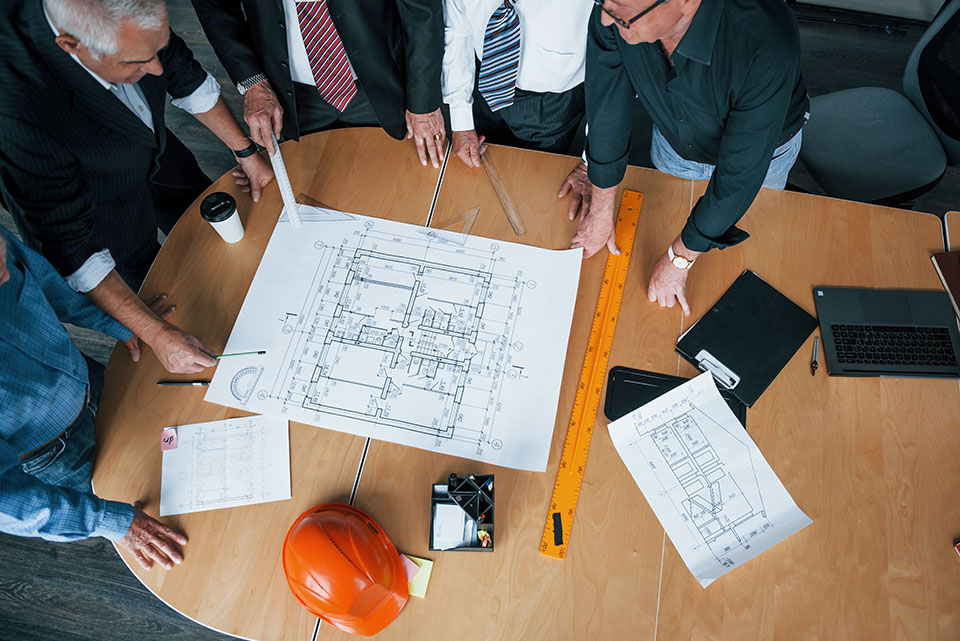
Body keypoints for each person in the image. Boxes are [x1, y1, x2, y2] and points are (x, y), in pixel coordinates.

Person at [0, 0, 273, 374]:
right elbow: (72, 248)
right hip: (94, 205)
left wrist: (245, 152)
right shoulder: (19, 114)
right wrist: (156, 333)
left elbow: (180, 71)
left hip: (142, 140)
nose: (156, 69)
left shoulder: (129, 26)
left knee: (189, 193)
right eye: (136, 63)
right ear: (71, 45)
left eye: (155, 49)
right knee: (147, 275)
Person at [580, 0, 809, 314]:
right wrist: (602, 206)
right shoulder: (618, 10)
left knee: (747, 263)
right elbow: (607, 103)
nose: (604, 20)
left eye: (617, 9)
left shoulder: (766, 41)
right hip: (677, 141)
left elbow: (739, 176)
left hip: (762, 157)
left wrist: (679, 259)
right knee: (668, 216)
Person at [0, 228, 186, 570]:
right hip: (55, 456)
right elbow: (7, 503)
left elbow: (41, 281)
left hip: (88, 380)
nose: (7, 275)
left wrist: (124, 322)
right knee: (162, 507)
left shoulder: (3, 260)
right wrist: (114, 523)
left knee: (178, 446)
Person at [191, 0, 448, 168]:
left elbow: (421, 11)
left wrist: (423, 103)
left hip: (382, 79)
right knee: (312, 190)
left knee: (409, 175)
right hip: (285, 95)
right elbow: (214, 7)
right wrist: (253, 83)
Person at [442, 0, 598, 219]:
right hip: (483, 81)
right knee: (475, 187)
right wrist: (461, 122)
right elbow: (458, 30)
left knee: (533, 200)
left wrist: (591, 163)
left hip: (550, 105)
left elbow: (612, 74)